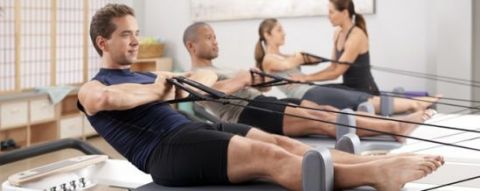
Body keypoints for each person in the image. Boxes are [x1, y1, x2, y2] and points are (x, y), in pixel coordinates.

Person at [78, 4, 443, 191]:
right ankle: (378, 173)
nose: (135, 41)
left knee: (283, 144)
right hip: (166, 150)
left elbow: (200, 77)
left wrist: (169, 82)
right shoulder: (92, 86)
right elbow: (106, 101)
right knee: (267, 156)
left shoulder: (148, 74)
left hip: (193, 130)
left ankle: (366, 167)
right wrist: (156, 89)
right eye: (126, 35)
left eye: (137, 33)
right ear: (103, 42)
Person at [184, 22, 435, 142]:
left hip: (261, 102)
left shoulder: (220, 67)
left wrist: (258, 82)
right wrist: (242, 78)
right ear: (191, 46)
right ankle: (395, 129)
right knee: (323, 121)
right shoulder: (193, 75)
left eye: (215, 36)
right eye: (209, 37)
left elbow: (243, 86)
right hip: (248, 115)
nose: (215, 41)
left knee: (325, 111)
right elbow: (207, 94)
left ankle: (390, 124)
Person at [255, 18, 440, 114]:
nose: (284, 33)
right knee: (358, 100)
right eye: (279, 30)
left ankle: (413, 102)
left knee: (358, 95)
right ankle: (414, 105)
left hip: (312, 91)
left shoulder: (283, 55)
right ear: (267, 34)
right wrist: (300, 57)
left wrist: (306, 58)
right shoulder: (268, 59)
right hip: (305, 94)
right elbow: (290, 63)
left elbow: (298, 60)